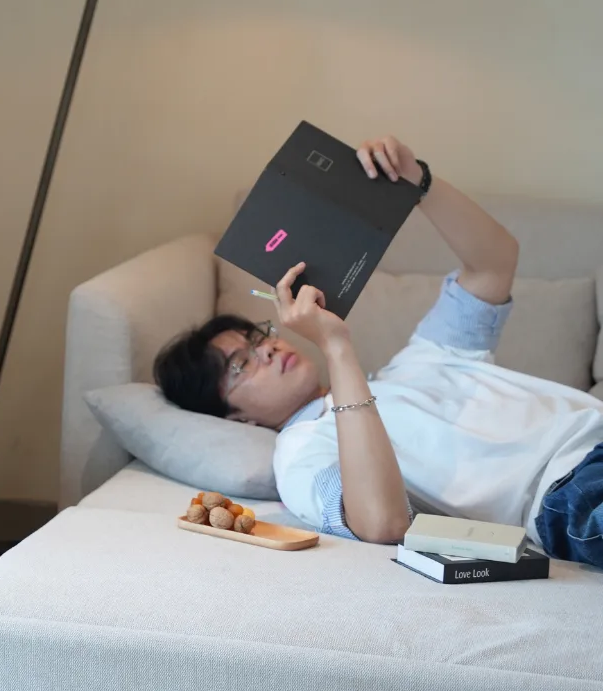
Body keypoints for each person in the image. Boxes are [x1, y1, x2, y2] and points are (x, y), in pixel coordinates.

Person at [153, 135, 603, 564]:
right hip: (572, 487)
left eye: (257, 338)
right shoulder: (299, 451)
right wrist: (336, 346)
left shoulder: (419, 359)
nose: (266, 351)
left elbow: (494, 263)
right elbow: (382, 522)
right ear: (237, 419)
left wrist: (418, 182)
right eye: (240, 365)